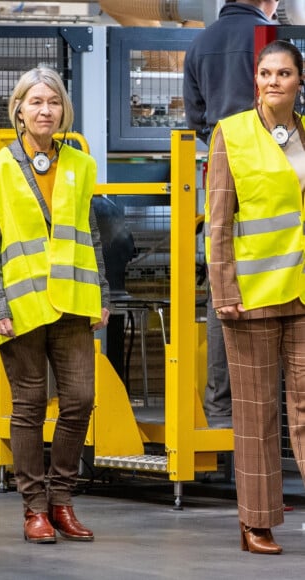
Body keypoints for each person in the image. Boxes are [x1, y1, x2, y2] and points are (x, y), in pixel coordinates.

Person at [0, 67, 110, 544]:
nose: (45, 110)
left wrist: (102, 295)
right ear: (19, 110)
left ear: (62, 110)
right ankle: (34, 509)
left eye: (53, 102)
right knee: (28, 406)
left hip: (73, 302)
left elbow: (90, 235)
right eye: (36, 102)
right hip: (21, 307)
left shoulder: (80, 165)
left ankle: (61, 499)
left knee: (81, 400)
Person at [205, 39, 305, 555]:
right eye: (265, 73)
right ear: (256, 81)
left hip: (304, 294)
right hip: (252, 298)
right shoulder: (233, 134)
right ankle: (256, 522)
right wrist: (223, 290)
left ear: (299, 81)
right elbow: (218, 222)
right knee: (256, 413)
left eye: (283, 74)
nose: (273, 82)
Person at [183, 0, 278, 427]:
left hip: (220, 171)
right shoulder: (270, 41)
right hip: (274, 177)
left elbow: (197, 119)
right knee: (280, 288)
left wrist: (227, 143)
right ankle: (272, 413)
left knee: (224, 290)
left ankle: (221, 413)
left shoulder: (199, 44)